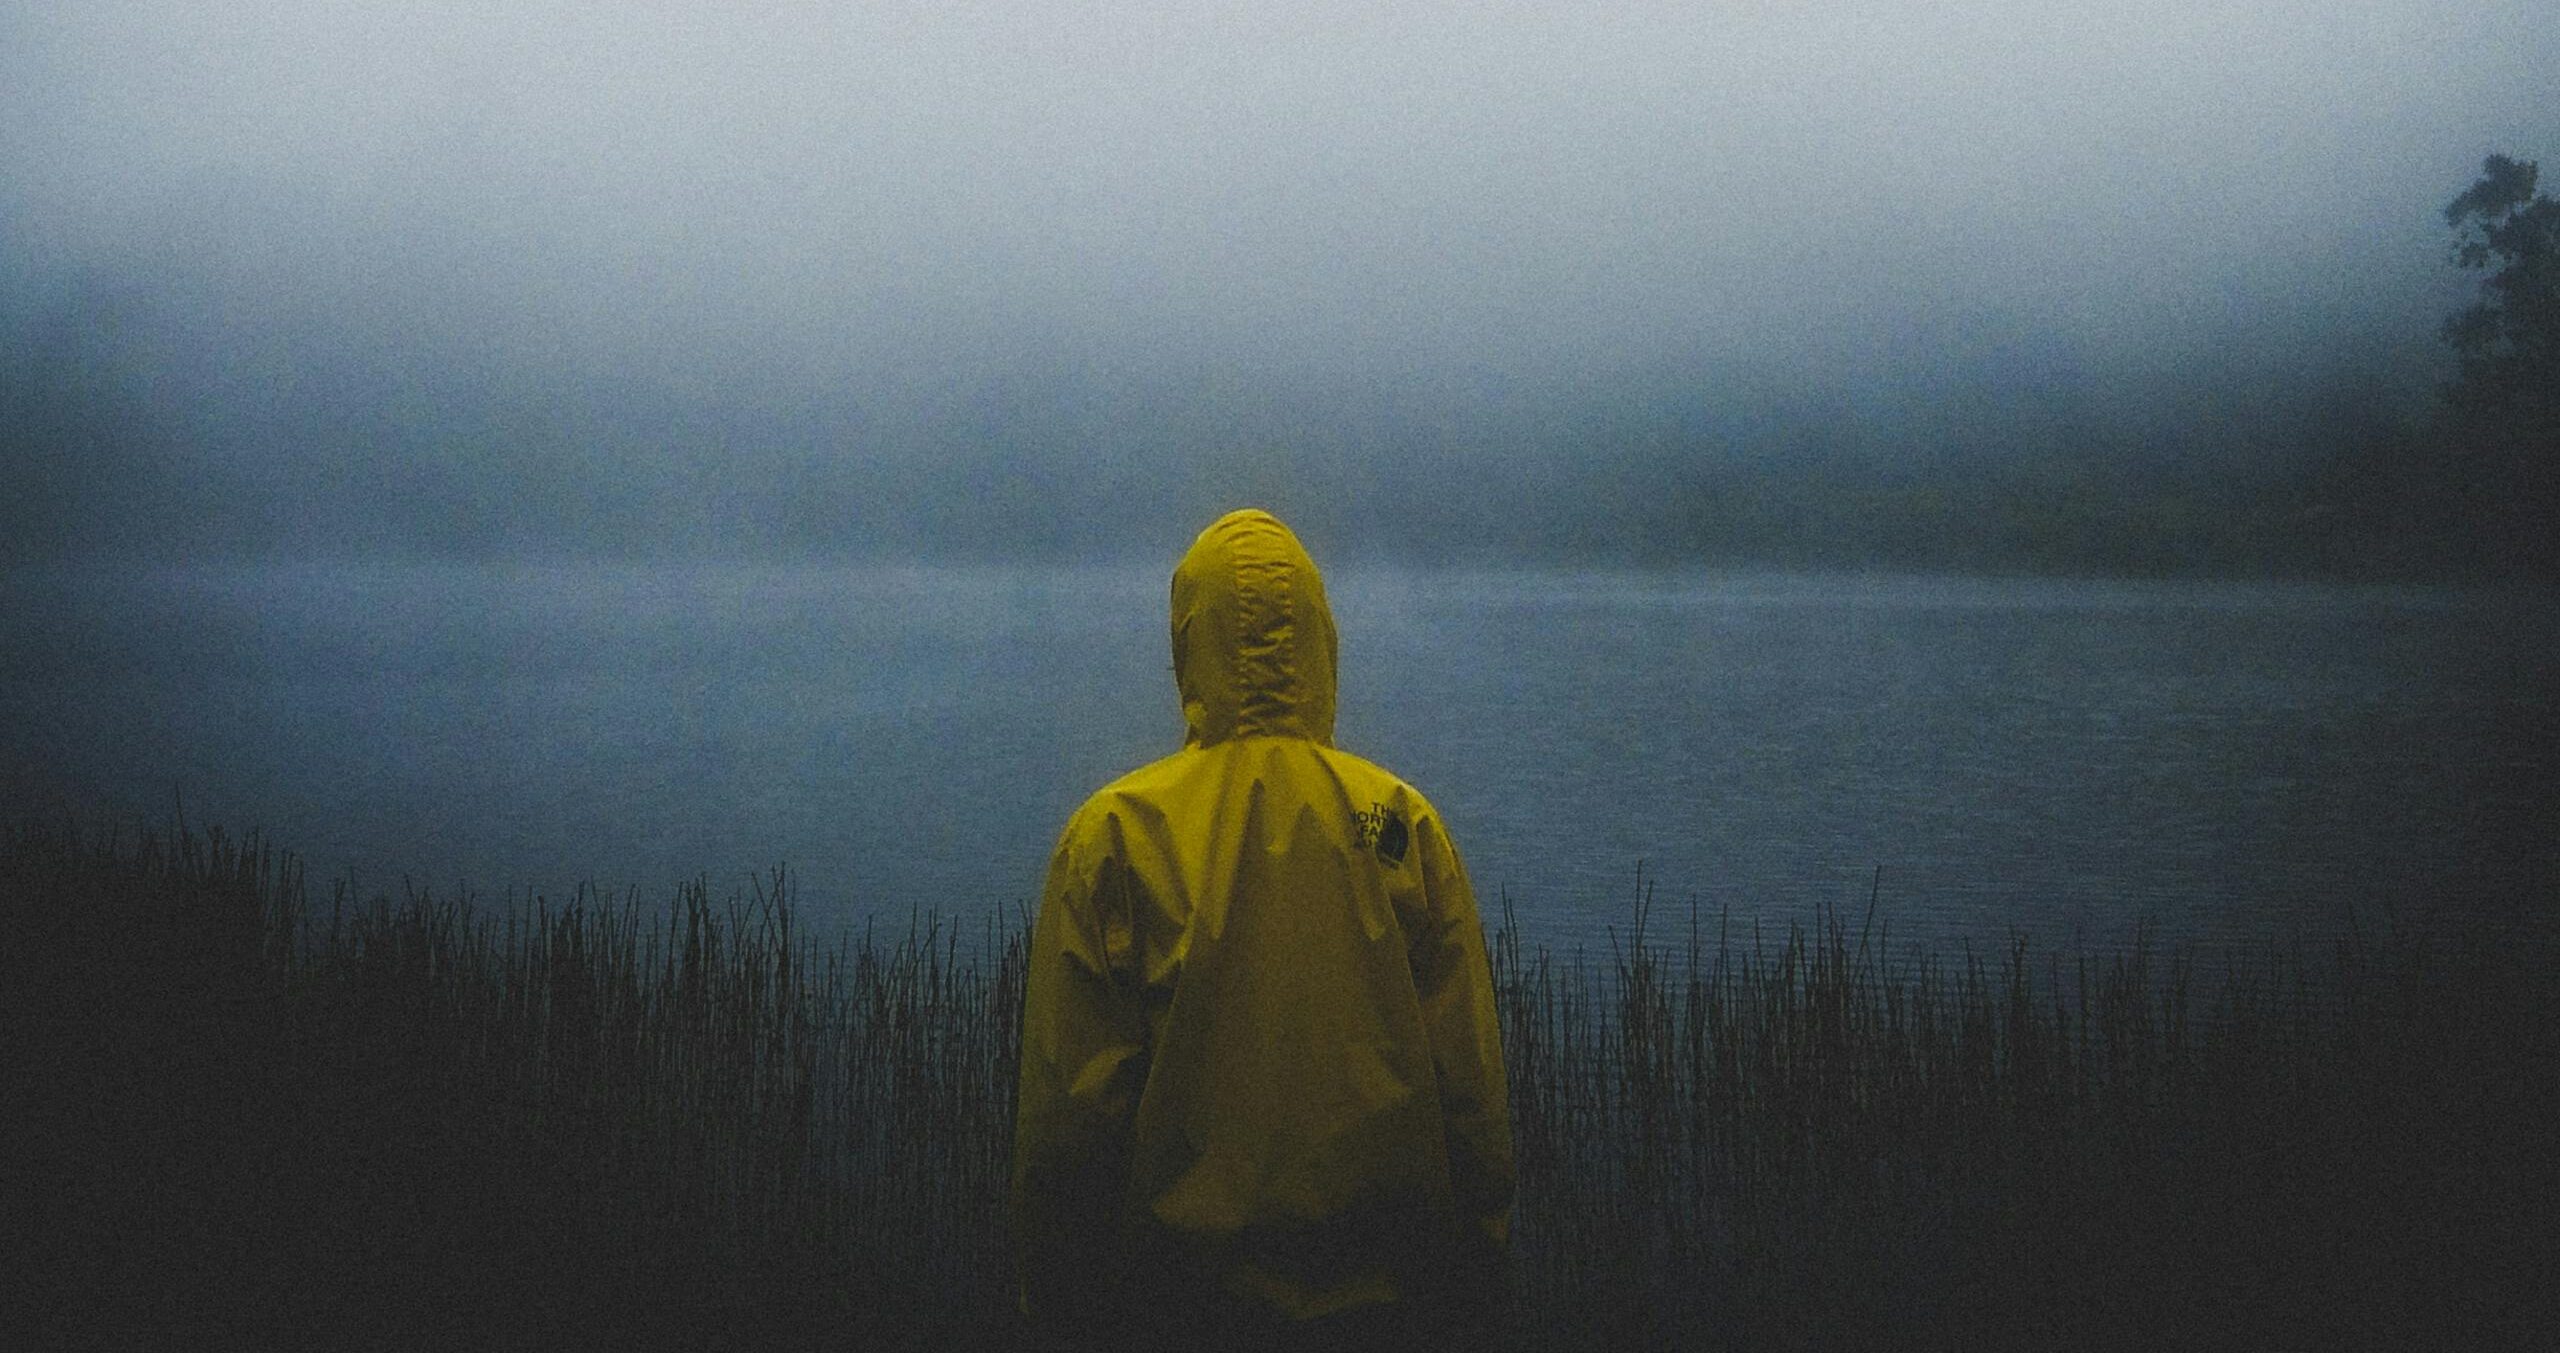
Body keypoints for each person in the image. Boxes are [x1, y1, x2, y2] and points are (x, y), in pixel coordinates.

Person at [1012, 508, 1514, 1351]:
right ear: (1323, 637)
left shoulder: (1118, 836)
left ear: (1187, 642)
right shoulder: (1398, 824)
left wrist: (1059, 1309)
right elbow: (1471, 1099)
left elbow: (1070, 1122)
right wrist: (1478, 1286)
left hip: (1176, 1309)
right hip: (1390, 1307)